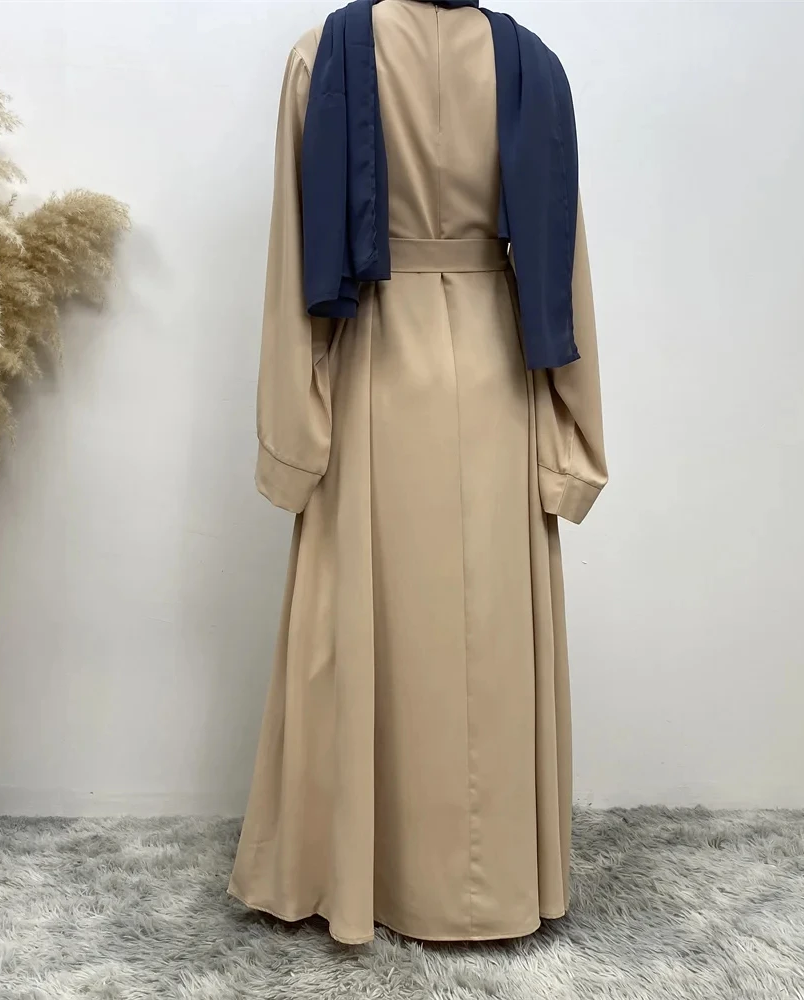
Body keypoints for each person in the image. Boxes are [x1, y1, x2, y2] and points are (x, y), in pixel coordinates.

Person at [229, 0, 607, 945]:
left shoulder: (323, 56)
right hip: (497, 368)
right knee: (487, 634)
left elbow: (295, 264)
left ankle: (363, 875)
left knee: (365, 629)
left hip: (376, 365)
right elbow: (562, 268)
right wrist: (575, 439)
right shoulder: (533, 68)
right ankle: (495, 884)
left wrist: (292, 439)